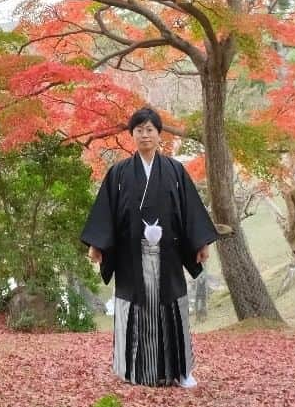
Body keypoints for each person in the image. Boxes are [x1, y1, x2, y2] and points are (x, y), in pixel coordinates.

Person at [81, 106, 219, 389]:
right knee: (136, 309)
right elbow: (106, 212)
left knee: (171, 308)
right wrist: (98, 245)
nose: (145, 135)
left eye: (150, 130)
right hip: (132, 255)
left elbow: (190, 210)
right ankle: (133, 370)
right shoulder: (119, 173)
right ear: (132, 134)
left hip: (168, 254)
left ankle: (181, 371)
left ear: (159, 135)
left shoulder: (175, 170)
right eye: (139, 130)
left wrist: (200, 241)